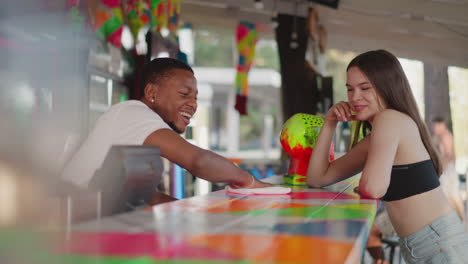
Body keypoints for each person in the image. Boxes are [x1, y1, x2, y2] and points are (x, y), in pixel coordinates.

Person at [306, 50, 468, 263]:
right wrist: (330, 123)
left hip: (438, 245)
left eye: (365, 88)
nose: (354, 98)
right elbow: (317, 178)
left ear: (386, 88)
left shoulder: (389, 118)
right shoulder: (375, 137)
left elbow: (373, 188)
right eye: (350, 89)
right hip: (427, 244)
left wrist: (365, 185)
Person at [62, 58, 270, 202]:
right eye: (184, 94)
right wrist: (251, 182)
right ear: (152, 92)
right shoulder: (134, 113)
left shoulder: (139, 124)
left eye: (195, 97)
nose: (193, 104)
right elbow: (199, 161)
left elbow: (145, 197)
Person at [432, 116, 465, 221]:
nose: (434, 129)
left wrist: (440, 169)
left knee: (453, 195)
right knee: (449, 196)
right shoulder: (441, 136)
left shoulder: (446, 136)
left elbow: (449, 155)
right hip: (447, 169)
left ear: (442, 125)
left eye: (436, 126)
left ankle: (462, 220)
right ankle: (458, 220)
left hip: (448, 170)